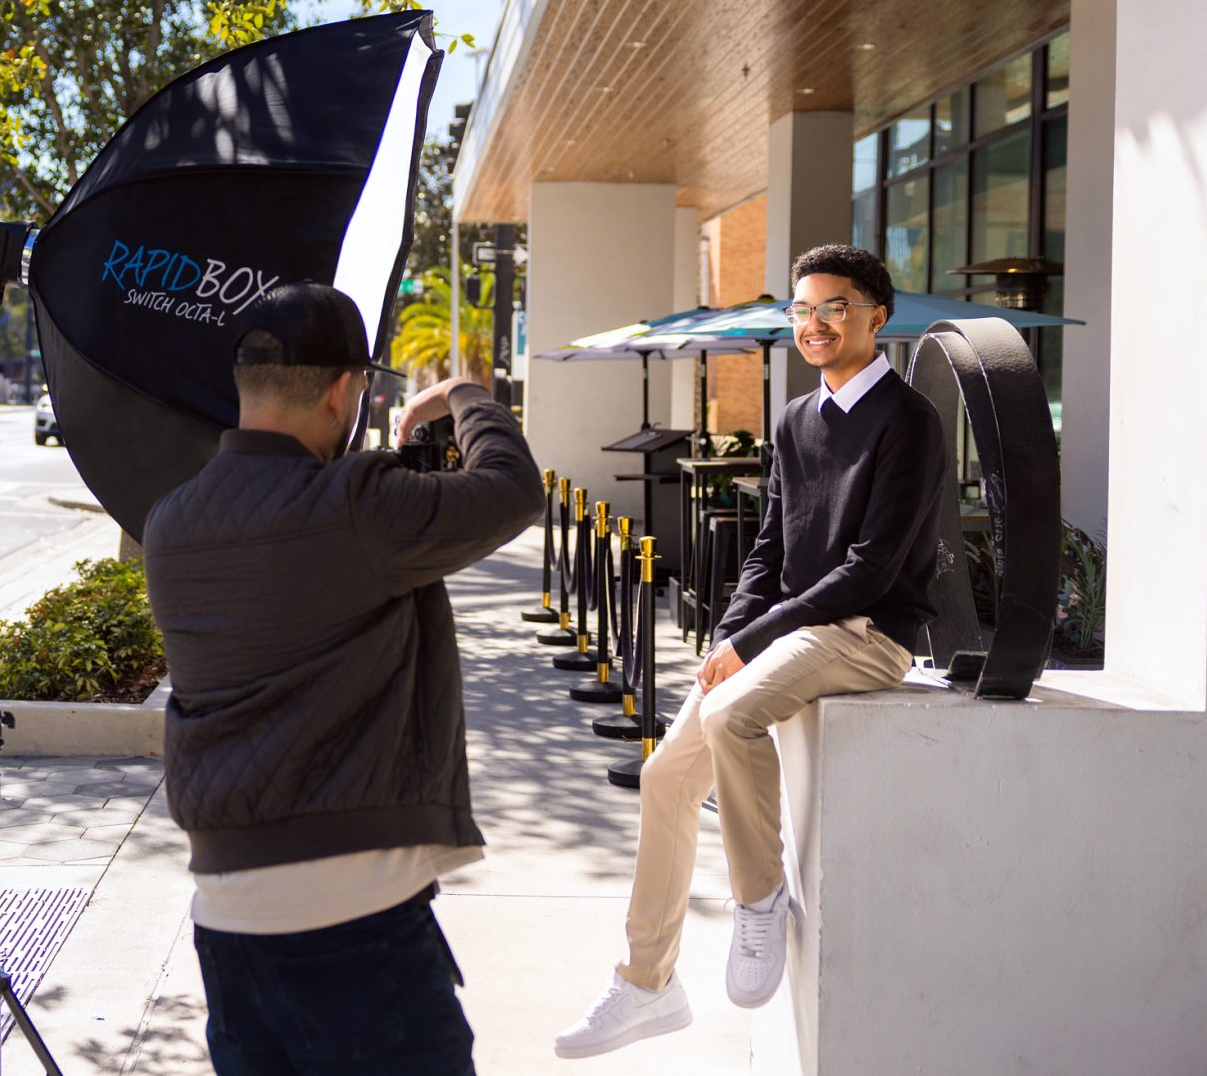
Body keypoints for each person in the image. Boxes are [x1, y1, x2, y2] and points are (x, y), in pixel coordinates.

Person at [554, 245, 946, 1059]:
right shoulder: (797, 419)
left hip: (868, 634)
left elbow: (869, 568)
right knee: (665, 776)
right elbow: (768, 549)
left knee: (732, 716)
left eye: (832, 308)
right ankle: (646, 982)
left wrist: (756, 640)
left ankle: (760, 898)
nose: (813, 324)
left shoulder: (910, 421)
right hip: (792, 631)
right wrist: (731, 633)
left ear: (877, 316)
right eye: (801, 310)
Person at [142, 281, 543, 1076]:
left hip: (225, 921)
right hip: (354, 922)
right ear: (341, 392)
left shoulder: (168, 523)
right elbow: (513, 490)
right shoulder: (359, 507)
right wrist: (466, 394)